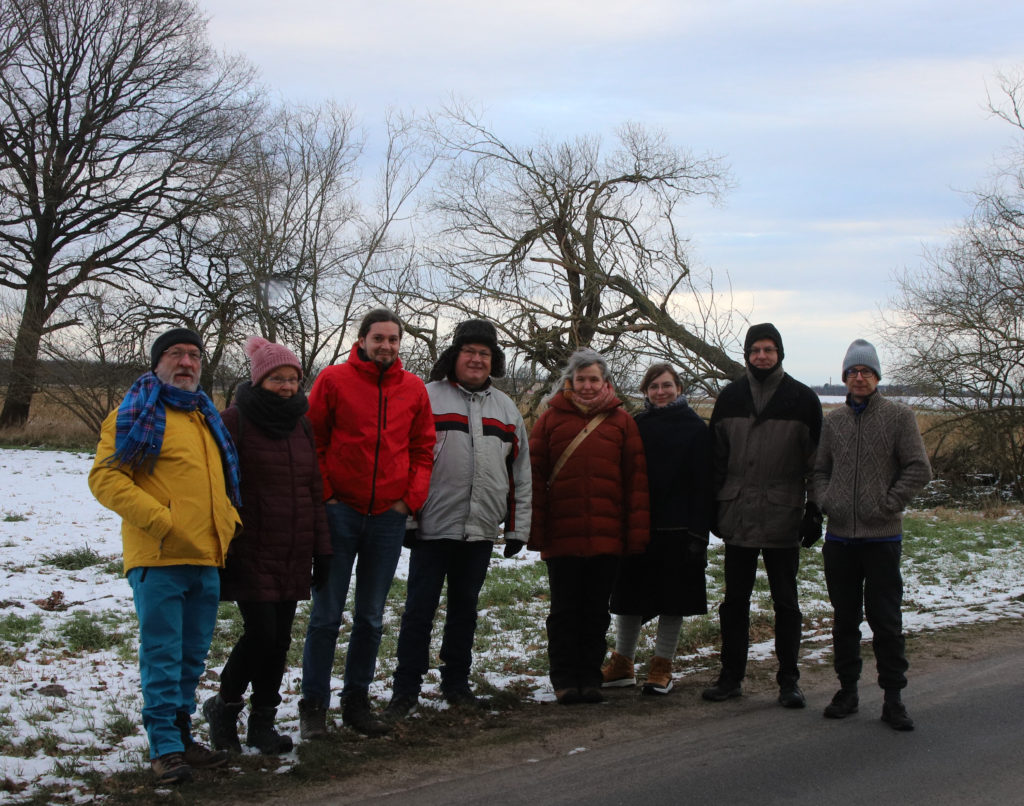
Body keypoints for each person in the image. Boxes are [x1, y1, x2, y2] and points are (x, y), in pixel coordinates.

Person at [88, 328, 242, 784]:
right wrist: (160, 519)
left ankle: (180, 736)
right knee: (162, 655)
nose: (187, 362)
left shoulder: (204, 418)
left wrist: (229, 522)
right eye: (176, 354)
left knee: (192, 658)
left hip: (207, 558)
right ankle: (164, 750)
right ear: (157, 363)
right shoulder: (133, 415)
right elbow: (106, 478)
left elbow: (222, 485)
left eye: (194, 355)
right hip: (158, 558)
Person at [384, 319, 532, 720]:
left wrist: (517, 528)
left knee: (465, 608)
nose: (477, 359)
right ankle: (406, 688)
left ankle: (456, 683)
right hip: (432, 527)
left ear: (493, 361)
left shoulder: (506, 409)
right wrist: (409, 520)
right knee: (419, 608)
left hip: (481, 529)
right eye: (470, 351)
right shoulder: (425, 397)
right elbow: (404, 460)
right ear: (455, 356)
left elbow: (520, 472)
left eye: (485, 353)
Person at [299, 308, 435, 739]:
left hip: (387, 519)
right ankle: (314, 706)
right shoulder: (333, 380)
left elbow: (422, 449)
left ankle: (356, 701)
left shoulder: (413, 388)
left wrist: (407, 500)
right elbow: (313, 440)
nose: (386, 346)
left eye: (393, 339)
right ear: (361, 340)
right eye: (379, 338)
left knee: (371, 617)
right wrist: (328, 494)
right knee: (325, 616)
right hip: (339, 512)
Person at [202, 337, 331, 754]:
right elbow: (217, 488)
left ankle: (263, 724)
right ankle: (224, 709)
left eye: (294, 379)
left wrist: (322, 549)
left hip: (293, 548)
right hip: (251, 548)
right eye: (278, 378)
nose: (288, 386)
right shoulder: (233, 421)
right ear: (259, 380)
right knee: (260, 634)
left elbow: (313, 489)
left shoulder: (302, 424)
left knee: (278, 642)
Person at [702, 323, 822, 708]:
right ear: (747, 355)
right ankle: (730, 677)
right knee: (734, 602)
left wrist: (814, 510)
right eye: (755, 350)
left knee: (786, 603)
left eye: (769, 349)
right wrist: (713, 505)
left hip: (783, 516)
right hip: (737, 514)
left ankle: (789, 681)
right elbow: (715, 459)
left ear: (780, 353)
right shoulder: (730, 397)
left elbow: (816, 465)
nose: (762, 356)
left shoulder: (803, 399)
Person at [813, 339, 931, 731]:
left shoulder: (899, 416)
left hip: (882, 538)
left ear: (877, 376)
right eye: (852, 372)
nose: (858, 378)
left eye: (865, 372)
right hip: (840, 538)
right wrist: (826, 499)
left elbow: (918, 468)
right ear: (844, 378)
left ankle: (893, 698)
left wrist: (889, 502)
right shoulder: (834, 422)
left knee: (886, 620)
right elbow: (819, 470)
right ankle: (847, 691)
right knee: (845, 619)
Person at [528, 348, 649, 705]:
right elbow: (533, 478)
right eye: (581, 379)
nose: (587, 385)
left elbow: (635, 482)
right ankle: (565, 679)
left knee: (596, 612)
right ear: (570, 381)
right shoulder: (549, 420)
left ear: (605, 382)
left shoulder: (622, 422)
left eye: (593, 379)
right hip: (562, 537)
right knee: (564, 612)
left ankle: (590, 678)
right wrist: (534, 530)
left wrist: (635, 535)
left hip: (606, 537)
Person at [603, 363, 712, 695]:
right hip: (640, 525)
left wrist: (698, 533)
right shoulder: (637, 425)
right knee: (629, 597)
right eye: (654, 387)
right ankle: (622, 664)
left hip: (680, 530)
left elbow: (703, 486)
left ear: (678, 388)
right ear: (645, 391)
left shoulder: (696, 428)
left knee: (673, 601)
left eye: (666, 385)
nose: (660, 392)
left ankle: (661, 666)